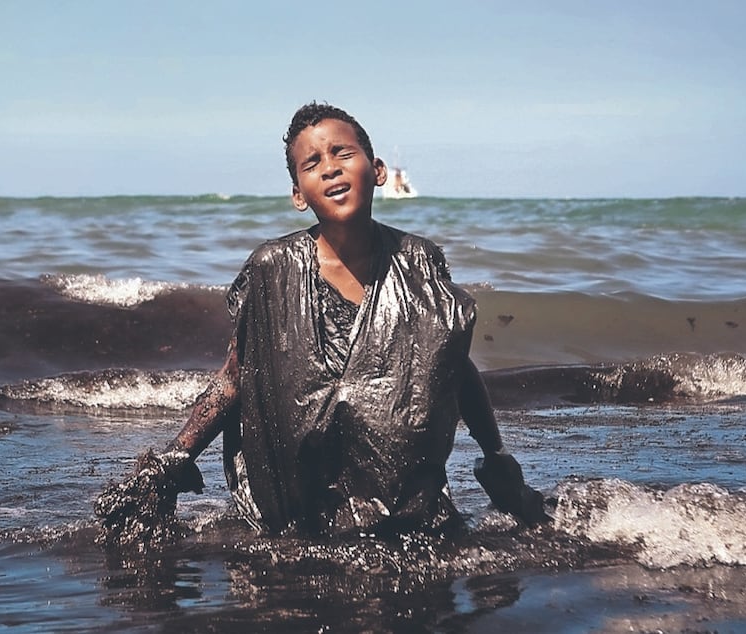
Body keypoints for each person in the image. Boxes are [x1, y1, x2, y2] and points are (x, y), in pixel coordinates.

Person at [97, 102, 549, 544]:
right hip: (302, 515)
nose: (330, 168)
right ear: (298, 194)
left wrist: (497, 457)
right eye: (312, 163)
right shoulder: (272, 267)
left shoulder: (419, 262)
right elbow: (237, 377)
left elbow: (451, 366)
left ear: (377, 171)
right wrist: (175, 460)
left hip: (406, 510)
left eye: (342, 154)